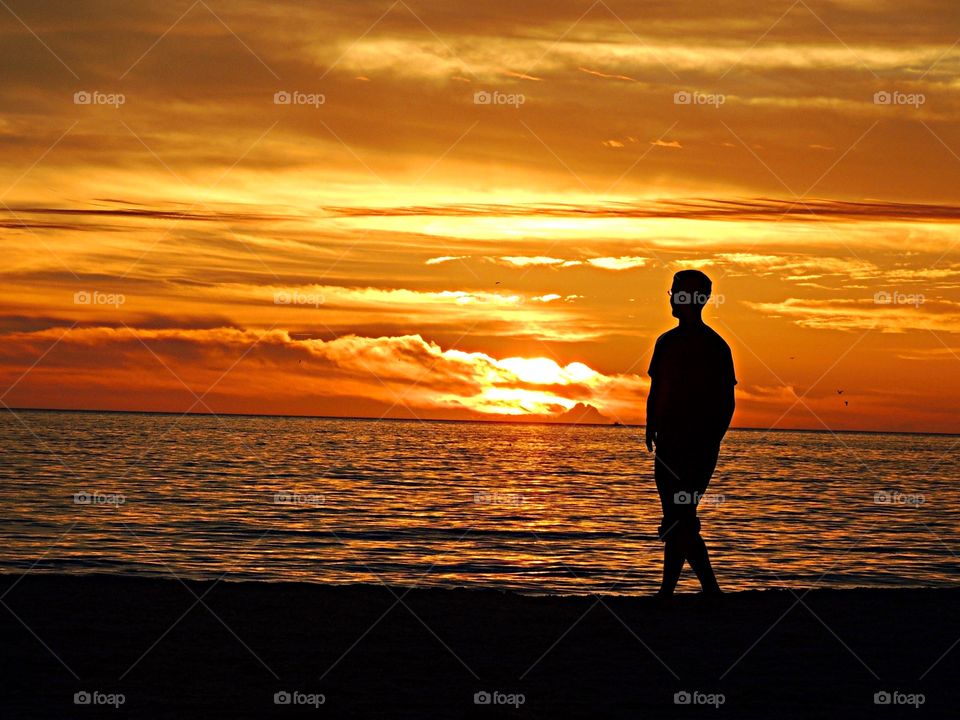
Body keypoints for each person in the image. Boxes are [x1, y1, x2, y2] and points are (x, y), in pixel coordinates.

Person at [645, 270, 736, 598]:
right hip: (669, 443)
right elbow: (657, 389)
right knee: (676, 515)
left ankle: (703, 589)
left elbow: (727, 401)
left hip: (695, 446)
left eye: (675, 293)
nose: (670, 297)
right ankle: (674, 591)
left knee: (680, 514)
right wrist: (650, 424)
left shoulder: (714, 346)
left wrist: (711, 439)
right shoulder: (666, 342)